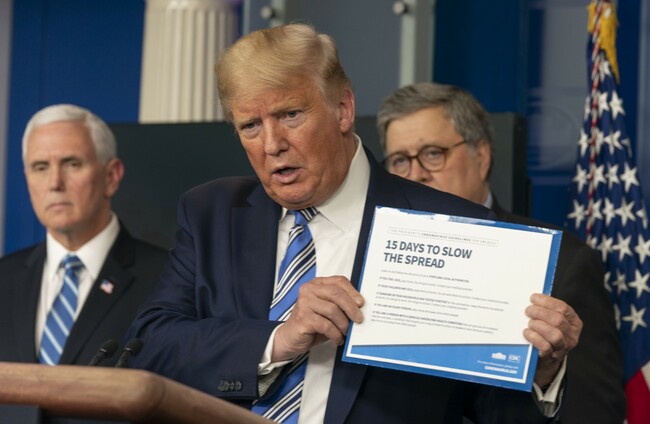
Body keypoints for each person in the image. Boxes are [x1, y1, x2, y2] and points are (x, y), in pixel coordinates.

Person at [126, 24, 582, 423]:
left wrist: (542, 371)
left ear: (343, 109)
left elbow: (496, 413)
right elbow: (148, 349)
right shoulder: (212, 214)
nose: (272, 144)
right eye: (250, 126)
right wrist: (278, 338)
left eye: (290, 115)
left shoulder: (458, 228)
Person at [377, 82, 625, 423]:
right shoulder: (372, 259)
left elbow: (594, 413)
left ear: (482, 157)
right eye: (399, 160)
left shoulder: (563, 261)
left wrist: (547, 377)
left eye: (433, 154)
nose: (415, 174)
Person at [0, 104, 168, 367]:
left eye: (72, 164)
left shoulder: (166, 278)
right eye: (41, 167)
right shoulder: (4, 278)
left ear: (111, 176)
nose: (55, 183)